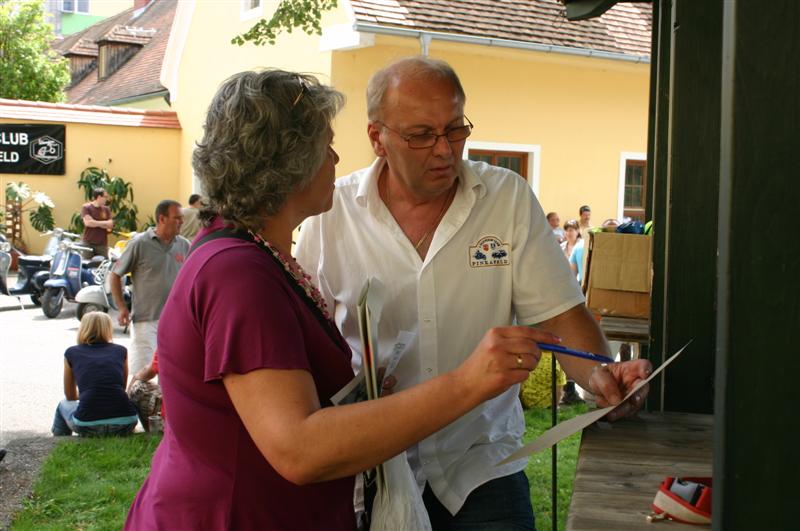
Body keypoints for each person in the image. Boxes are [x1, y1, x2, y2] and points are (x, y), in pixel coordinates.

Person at [124, 69, 555, 531]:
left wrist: (353, 402)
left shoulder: (253, 256)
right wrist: (469, 382)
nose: (335, 158)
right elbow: (299, 449)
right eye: (325, 146)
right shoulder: (239, 274)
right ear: (289, 163)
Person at [295, 56, 651, 529]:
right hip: (372, 467)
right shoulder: (329, 213)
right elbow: (305, 344)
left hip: (481, 461)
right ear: (377, 138)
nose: (445, 149)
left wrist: (603, 377)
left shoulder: (505, 198)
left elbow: (560, 317)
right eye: (421, 135)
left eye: (455, 129)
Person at [110, 200, 189, 375]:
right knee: (142, 375)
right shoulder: (139, 243)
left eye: (181, 218)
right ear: (162, 219)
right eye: (177, 218)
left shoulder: (183, 245)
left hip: (176, 321)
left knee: (170, 375)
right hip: (146, 320)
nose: (181, 222)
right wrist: (122, 307)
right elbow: (115, 274)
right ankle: (132, 403)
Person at [51, 312, 138, 437]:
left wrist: (88, 393)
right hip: (126, 422)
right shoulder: (120, 351)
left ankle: (59, 442)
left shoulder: (71, 353)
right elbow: (120, 388)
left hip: (87, 425)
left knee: (63, 404)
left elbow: (70, 396)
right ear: (108, 329)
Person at [127, 350, 162, 432]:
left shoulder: (168, 345)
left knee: (138, 386)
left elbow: (147, 372)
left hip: (176, 412)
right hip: (196, 409)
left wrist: (133, 381)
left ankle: (151, 429)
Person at [80, 187, 113, 258]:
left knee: (103, 265)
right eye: (105, 197)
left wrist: (94, 222)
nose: (107, 199)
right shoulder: (86, 207)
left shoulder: (106, 209)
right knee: (86, 264)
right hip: (88, 243)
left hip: (102, 245)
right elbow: (88, 223)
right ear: (99, 197)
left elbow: (110, 225)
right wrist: (104, 223)